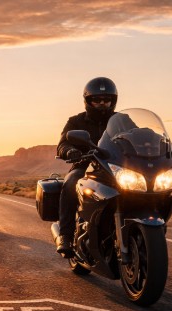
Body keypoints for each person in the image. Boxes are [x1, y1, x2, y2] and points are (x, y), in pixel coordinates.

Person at [55, 77, 118, 257]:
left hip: (115, 168)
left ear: (113, 100)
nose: (102, 103)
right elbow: (62, 144)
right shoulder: (76, 121)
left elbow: (137, 135)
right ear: (88, 101)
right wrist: (70, 151)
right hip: (85, 167)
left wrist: (155, 143)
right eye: (97, 100)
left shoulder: (121, 120)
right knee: (70, 183)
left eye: (106, 99)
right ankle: (66, 235)